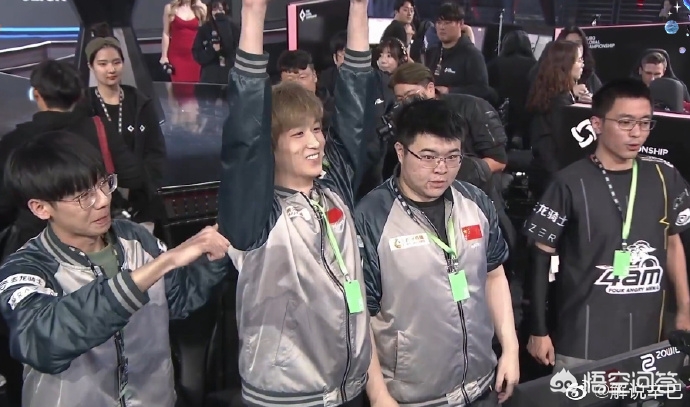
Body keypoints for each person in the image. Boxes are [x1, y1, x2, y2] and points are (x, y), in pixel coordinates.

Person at [218, 0, 379, 406]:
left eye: (317, 129)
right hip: (287, 394)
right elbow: (245, 134)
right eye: (297, 134)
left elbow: (356, 106)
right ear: (271, 146)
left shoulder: (332, 187)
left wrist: (358, 9)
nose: (315, 142)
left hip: (348, 387)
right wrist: (253, 15)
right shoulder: (255, 213)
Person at [0, 131, 231, 407]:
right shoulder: (26, 269)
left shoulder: (135, 238)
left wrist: (216, 253)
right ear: (41, 208)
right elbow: (44, 341)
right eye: (84, 196)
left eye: (104, 184)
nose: (103, 200)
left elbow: (179, 299)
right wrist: (165, 262)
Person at [355, 98, 518, 406]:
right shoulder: (371, 217)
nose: (441, 169)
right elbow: (359, 315)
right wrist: (378, 395)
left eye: (452, 157)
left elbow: (495, 276)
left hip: (483, 385)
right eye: (428, 157)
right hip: (411, 397)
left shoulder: (475, 202)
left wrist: (510, 349)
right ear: (401, 151)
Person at [524, 79, 690, 370]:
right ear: (597, 124)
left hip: (649, 341)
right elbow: (540, 257)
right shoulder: (569, 182)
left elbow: (674, 242)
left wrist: (685, 309)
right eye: (625, 122)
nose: (636, 132)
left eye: (645, 123)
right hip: (583, 340)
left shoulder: (665, 177)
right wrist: (538, 330)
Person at [0, 60, 148, 260]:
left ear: (36, 94)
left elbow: (5, 204)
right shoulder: (98, 128)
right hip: (98, 238)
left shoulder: (14, 141)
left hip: (35, 242)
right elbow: (134, 176)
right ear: (78, 96)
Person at [83, 32, 167, 224]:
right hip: (96, 203)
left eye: (116, 62)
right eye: (103, 64)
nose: (111, 69)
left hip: (140, 200)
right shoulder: (85, 105)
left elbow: (156, 151)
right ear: (91, 66)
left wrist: (145, 187)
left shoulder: (140, 103)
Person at [388, 63, 507, 175]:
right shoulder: (405, 118)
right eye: (400, 98)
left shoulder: (472, 107)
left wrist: (457, 173)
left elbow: (498, 160)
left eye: (411, 95)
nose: (407, 102)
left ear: (430, 88)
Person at [525, 40, 583, 198]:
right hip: (552, 179)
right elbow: (558, 145)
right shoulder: (559, 101)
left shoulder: (553, 94)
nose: (582, 65)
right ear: (566, 64)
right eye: (579, 60)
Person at [424, 2, 492, 103]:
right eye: (439, 22)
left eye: (447, 23)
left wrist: (449, 91)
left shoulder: (472, 55)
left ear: (460, 24)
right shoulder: (432, 52)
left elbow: (482, 90)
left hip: (459, 109)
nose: (442, 27)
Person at [192, 0, 240, 84]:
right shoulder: (205, 28)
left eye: (221, 9)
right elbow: (197, 53)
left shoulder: (233, 27)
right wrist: (211, 49)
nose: (218, 12)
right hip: (210, 74)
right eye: (215, 9)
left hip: (230, 73)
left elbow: (238, 49)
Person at [161, 0, 207, 82]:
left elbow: (205, 32)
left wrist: (198, 3)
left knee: (195, 85)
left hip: (195, 56)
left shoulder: (200, 9)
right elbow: (166, 33)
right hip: (177, 56)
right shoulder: (170, 8)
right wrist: (164, 56)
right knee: (179, 85)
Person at [556, 26, 602, 94]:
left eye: (578, 43)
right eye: (569, 44)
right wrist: (572, 93)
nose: (575, 48)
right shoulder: (551, 76)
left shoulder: (590, 76)